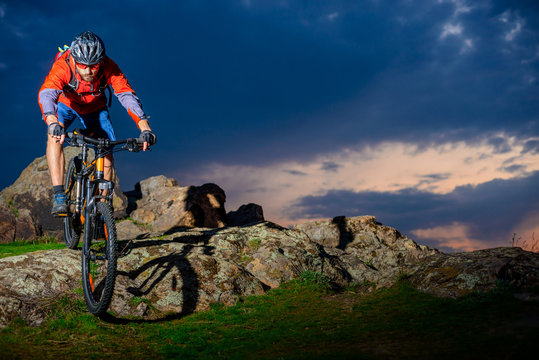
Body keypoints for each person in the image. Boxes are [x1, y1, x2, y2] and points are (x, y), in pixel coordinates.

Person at [38, 30, 156, 215]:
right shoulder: (64, 65)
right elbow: (47, 93)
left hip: (95, 109)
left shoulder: (109, 67)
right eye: (82, 65)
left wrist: (144, 127)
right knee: (54, 137)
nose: (88, 70)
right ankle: (59, 194)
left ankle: (103, 205)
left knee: (106, 149)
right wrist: (52, 120)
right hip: (65, 106)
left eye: (94, 65)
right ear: (75, 60)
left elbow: (126, 95)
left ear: (101, 61)